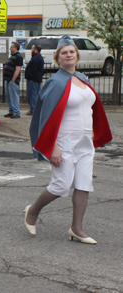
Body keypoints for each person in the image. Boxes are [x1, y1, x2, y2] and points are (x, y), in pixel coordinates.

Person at [25, 35, 112, 244]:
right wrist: (52, 146)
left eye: (71, 51)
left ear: (77, 55)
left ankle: (76, 228)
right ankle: (32, 211)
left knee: (84, 184)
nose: (69, 55)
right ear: (58, 58)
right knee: (61, 186)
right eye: (64, 52)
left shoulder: (83, 79)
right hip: (63, 141)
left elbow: (89, 108)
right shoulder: (55, 82)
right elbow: (46, 116)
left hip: (84, 141)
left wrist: (92, 134)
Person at [3, 42, 24, 119]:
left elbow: (18, 69)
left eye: (11, 47)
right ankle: (11, 111)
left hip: (12, 80)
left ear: (16, 48)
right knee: (9, 96)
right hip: (8, 80)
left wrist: (13, 79)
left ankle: (16, 112)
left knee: (14, 96)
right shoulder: (12, 57)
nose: (10, 48)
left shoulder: (18, 57)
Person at [25, 44, 44, 116]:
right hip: (36, 78)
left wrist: (30, 76)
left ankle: (33, 110)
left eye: (32, 48)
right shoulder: (38, 57)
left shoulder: (36, 58)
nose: (31, 49)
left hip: (33, 79)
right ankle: (35, 109)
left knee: (32, 95)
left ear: (35, 49)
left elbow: (33, 69)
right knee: (36, 94)